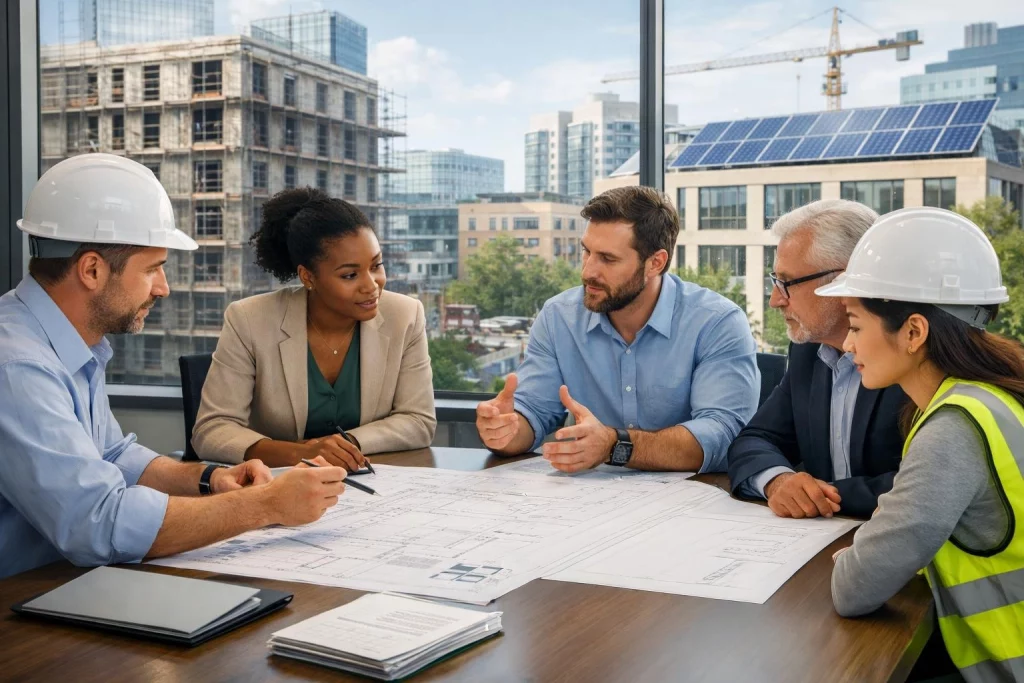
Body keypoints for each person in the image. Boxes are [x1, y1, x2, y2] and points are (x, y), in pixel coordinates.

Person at [0, 154, 346, 580]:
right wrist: (266, 505)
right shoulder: (17, 367)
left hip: (60, 582)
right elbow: (98, 525)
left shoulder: (65, 343)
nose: (163, 288)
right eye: (152, 270)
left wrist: (210, 478)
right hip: (19, 601)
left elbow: (113, 455)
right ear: (91, 270)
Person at [822, 207, 1024, 682]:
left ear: (914, 332)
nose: (847, 346)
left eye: (855, 326)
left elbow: (854, 588)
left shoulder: (953, 429)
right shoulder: (989, 398)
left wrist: (862, 554)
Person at [476, 186, 759, 473]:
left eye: (608, 259)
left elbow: (722, 434)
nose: (588, 271)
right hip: (589, 495)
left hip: (694, 494)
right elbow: (534, 412)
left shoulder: (717, 322)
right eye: (586, 252)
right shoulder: (557, 317)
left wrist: (615, 446)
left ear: (655, 263)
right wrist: (506, 431)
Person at [192, 187, 435, 469]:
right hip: (276, 484)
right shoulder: (249, 319)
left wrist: (344, 446)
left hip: (368, 483)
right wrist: (299, 454)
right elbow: (212, 430)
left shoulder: (405, 316)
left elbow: (418, 421)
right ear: (308, 277)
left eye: (376, 265)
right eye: (350, 275)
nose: (372, 285)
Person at [727, 199, 907, 519]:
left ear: (843, 280)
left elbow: (926, 484)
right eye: (775, 281)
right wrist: (779, 481)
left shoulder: (914, 355)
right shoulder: (808, 350)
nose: (775, 300)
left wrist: (818, 495)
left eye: (787, 283)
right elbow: (755, 439)